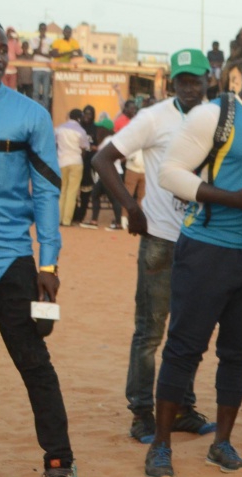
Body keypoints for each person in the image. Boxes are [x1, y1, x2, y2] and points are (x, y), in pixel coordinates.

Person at [148, 41, 242, 477]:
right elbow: (171, 174)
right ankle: (160, 445)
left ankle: (222, 443)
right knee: (184, 348)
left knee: (239, 353)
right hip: (208, 250)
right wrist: (232, 199)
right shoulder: (215, 115)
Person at [90, 50, 216, 443]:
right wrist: (129, 207)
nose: (190, 87)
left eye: (196, 79)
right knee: (150, 331)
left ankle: (181, 406)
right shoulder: (154, 117)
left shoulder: (217, 117)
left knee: (190, 331)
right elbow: (103, 158)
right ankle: (142, 412)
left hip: (201, 239)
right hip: (160, 239)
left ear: (207, 79)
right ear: (171, 83)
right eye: (183, 80)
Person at [0, 18, 78, 477]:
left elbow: (46, 192)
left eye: (2, 49)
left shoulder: (29, 115)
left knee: (33, 363)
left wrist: (49, 264)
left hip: (9, 260)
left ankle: (59, 463)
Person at [55, 109, 92, 226]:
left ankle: (58, 218)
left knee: (62, 190)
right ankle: (66, 220)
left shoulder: (59, 129)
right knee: (72, 192)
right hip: (76, 162)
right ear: (79, 118)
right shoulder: (81, 131)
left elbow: (54, 144)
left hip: (61, 162)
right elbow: (85, 148)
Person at [87, 113, 124, 229]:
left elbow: (101, 154)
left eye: (100, 127)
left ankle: (118, 223)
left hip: (109, 173)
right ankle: (94, 221)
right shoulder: (114, 138)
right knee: (96, 194)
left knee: (113, 198)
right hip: (112, 172)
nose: (98, 129)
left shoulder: (108, 140)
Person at [29, 23, 54, 109]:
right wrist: (41, 41)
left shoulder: (50, 40)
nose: (43, 30)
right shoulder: (34, 39)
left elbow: (51, 55)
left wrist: (40, 54)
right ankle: (35, 110)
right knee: (35, 92)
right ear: (39, 29)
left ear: (46, 29)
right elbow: (36, 51)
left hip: (47, 69)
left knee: (46, 93)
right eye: (41, 29)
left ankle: (45, 111)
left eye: (44, 29)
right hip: (36, 68)